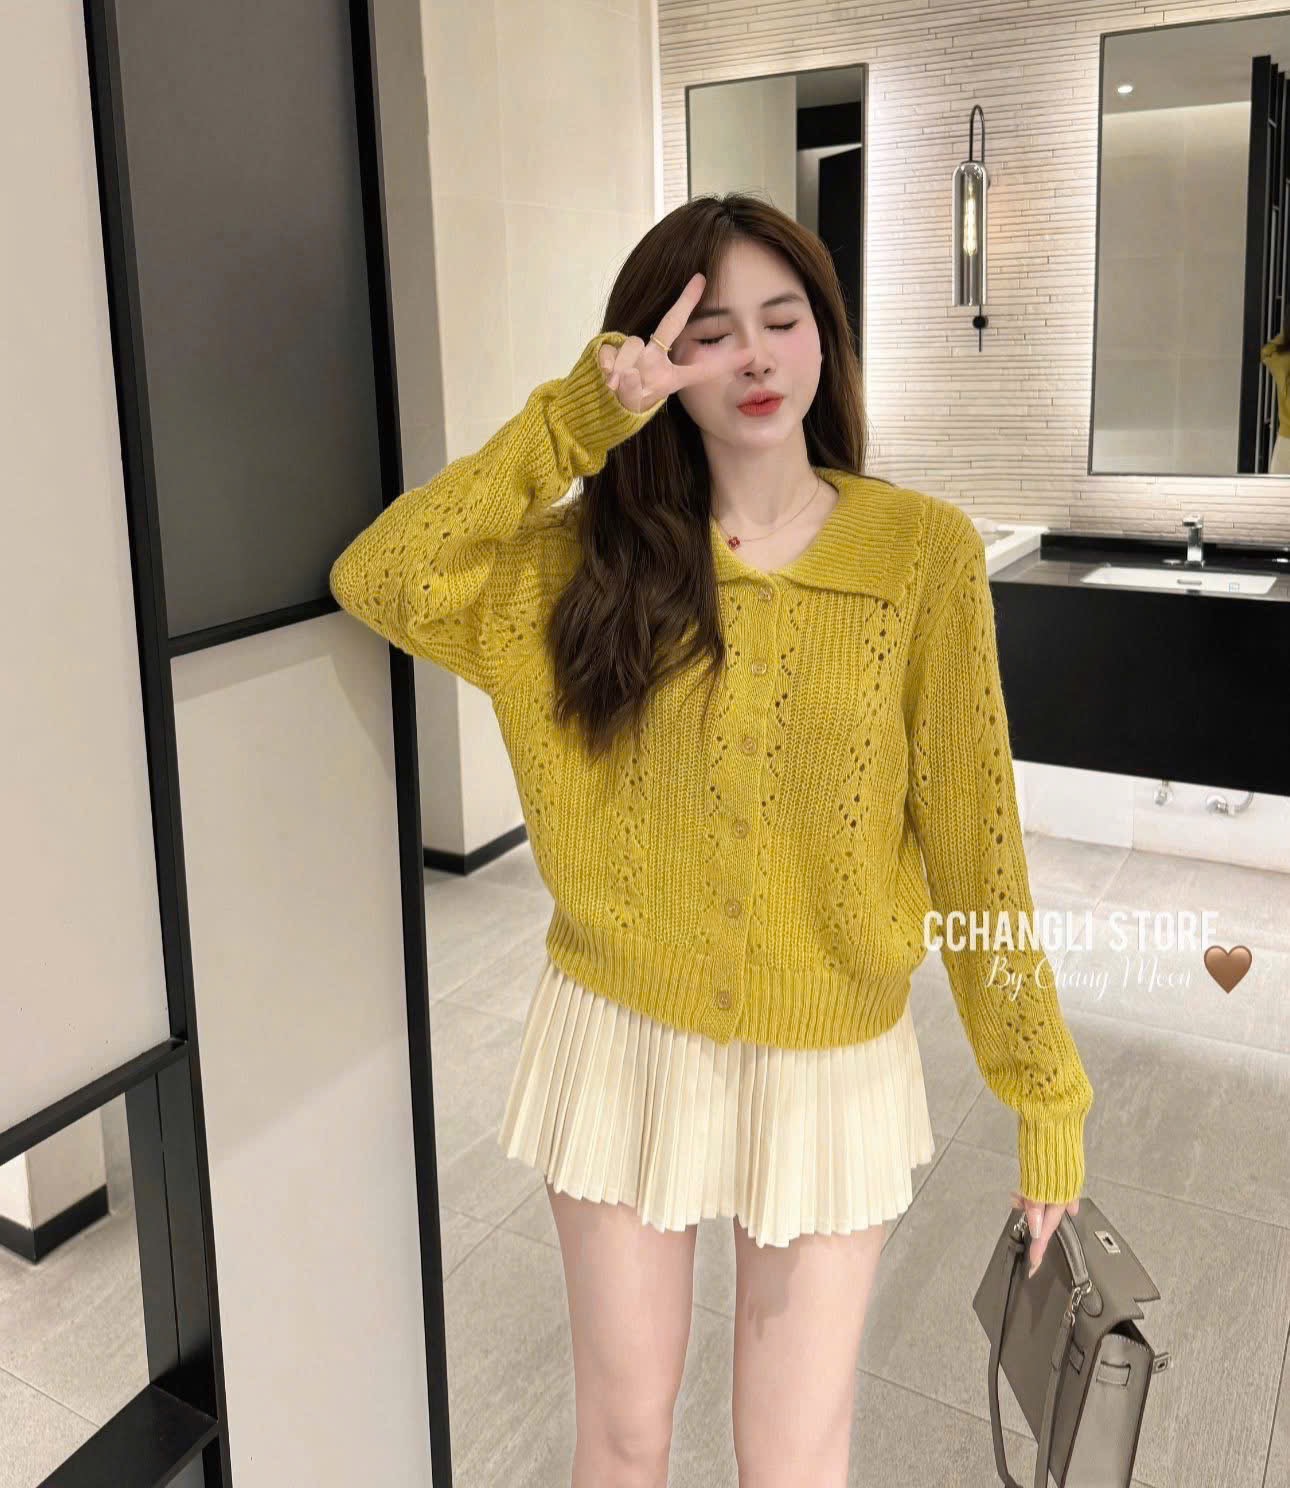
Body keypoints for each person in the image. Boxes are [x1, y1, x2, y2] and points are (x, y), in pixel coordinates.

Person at [329, 192, 1093, 1487]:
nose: (753, 358)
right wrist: (573, 422)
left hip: (830, 1063)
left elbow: (978, 844)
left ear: (824, 335)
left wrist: (1043, 1091)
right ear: (657, 360)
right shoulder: (584, 566)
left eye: (781, 320)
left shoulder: (921, 556)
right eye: (710, 332)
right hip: (619, 1037)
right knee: (625, 1438)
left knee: (791, 1458)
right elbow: (386, 576)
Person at [1259, 314, 1290, 473]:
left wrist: (1285, 335)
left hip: (1286, 441)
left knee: (1278, 487)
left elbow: (1266, 352)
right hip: (1286, 440)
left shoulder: (1282, 358)